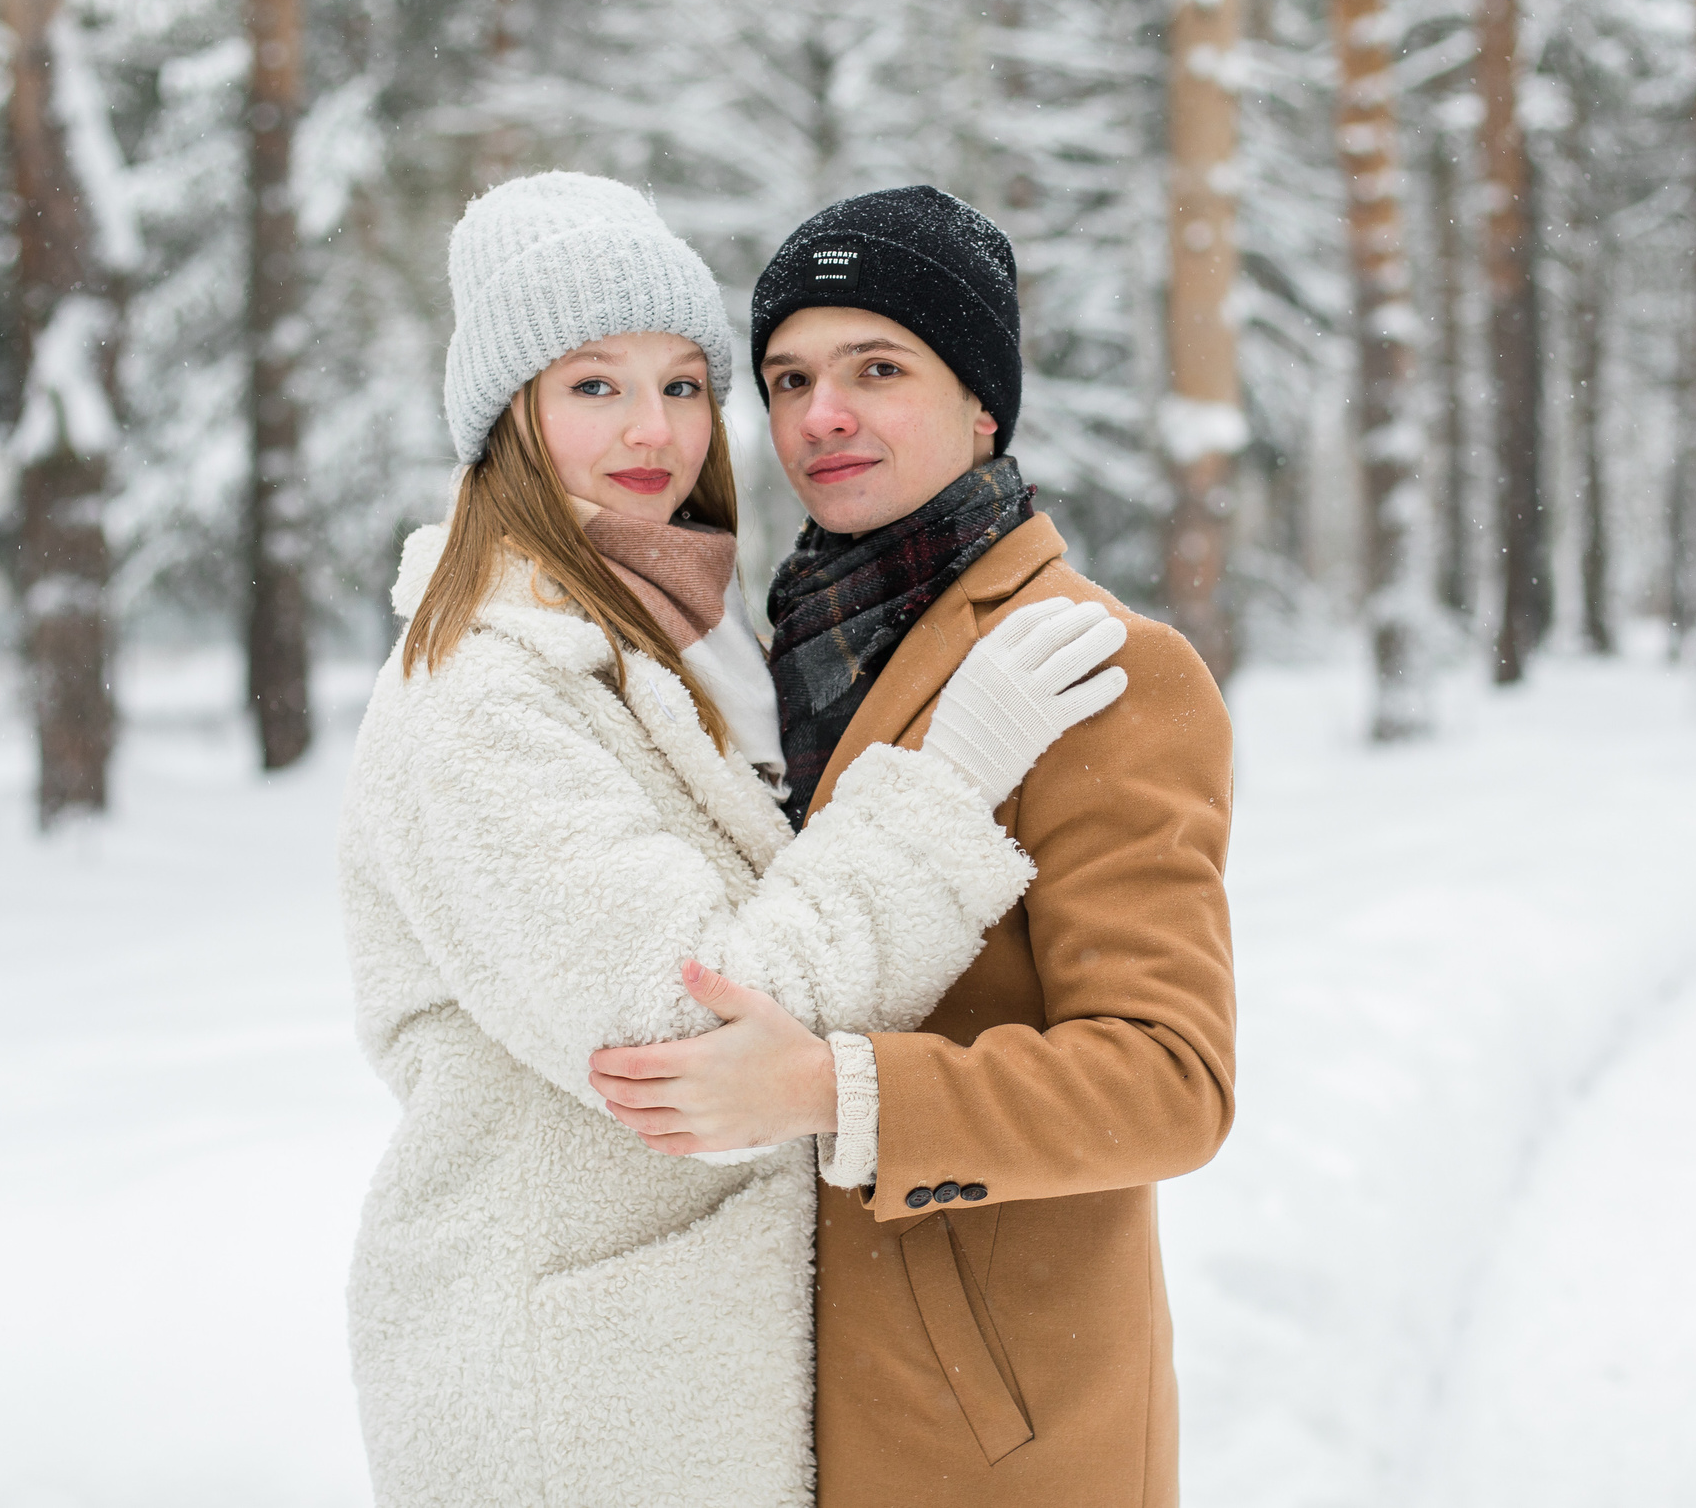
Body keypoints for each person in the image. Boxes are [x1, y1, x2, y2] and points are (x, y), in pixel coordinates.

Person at [336, 172, 1131, 1508]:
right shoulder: (479, 692)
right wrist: (946, 785)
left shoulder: (663, 650)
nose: (655, 430)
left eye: (686, 382)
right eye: (593, 386)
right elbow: (691, 1041)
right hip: (578, 1408)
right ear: (505, 420)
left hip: (676, 1381)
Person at [587, 185, 1238, 1507]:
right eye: (789, 377)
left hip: (994, 1426)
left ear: (982, 404)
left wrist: (841, 1092)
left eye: (878, 368)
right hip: (773, 1408)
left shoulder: (1096, 668)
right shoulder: (778, 665)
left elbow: (1174, 1083)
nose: (822, 415)